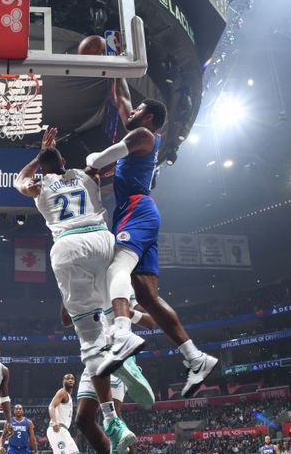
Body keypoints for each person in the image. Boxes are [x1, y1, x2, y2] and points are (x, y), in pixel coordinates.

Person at [15, 129, 149, 454]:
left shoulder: (38, 187)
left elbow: (20, 179)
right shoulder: (85, 174)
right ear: (63, 161)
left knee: (89, 342)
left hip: (67, 246)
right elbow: (110, 165)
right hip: (100, 238)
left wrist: (40, 154)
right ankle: (127, 353)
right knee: (117, 303)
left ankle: (112, 421)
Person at [85, 77, 217, 398]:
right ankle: (195, 357)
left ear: (148, 118)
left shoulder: (144, 135)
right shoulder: (138, 129)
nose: (132, 111)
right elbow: (122, 97)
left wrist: (95, 166)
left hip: (136, 209)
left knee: (117, 270)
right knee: (147, 297)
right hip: (139, 211)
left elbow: (98, 159)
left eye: (139, 109)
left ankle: (122, 332)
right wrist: (115, 67)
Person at [71, 301, 156, 454]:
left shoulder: (119, 286)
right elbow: (66, 320)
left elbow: (151, 322)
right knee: (83, 420)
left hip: (115, 355)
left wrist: (128, 312)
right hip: (91, 357)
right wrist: (68, 297)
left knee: (113, 420)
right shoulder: (79, 285)